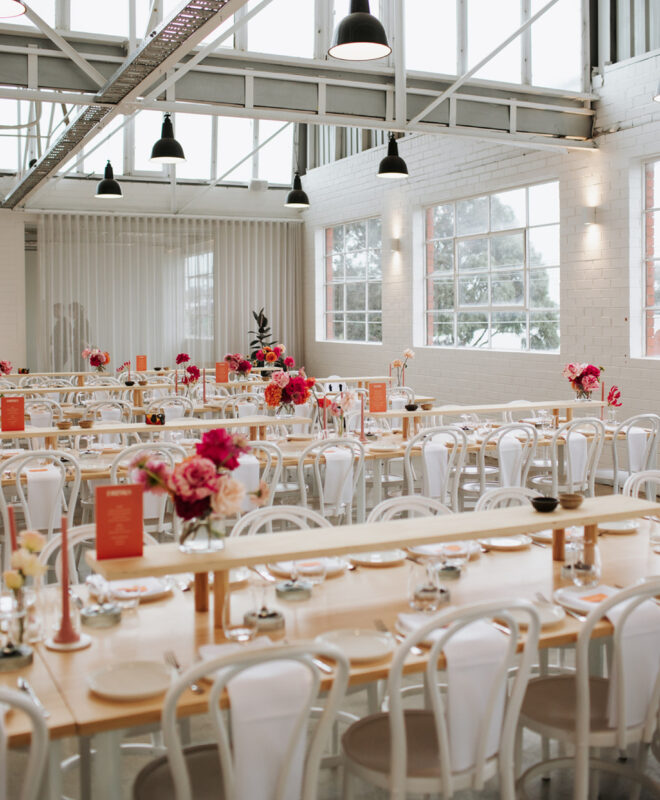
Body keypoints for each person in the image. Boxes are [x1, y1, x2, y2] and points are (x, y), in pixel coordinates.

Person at [69, 301, 91, 371]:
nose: (70, 314)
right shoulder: (78, 321)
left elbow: (83, 337)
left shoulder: (82, 322)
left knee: (79, 370)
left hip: (81, 349)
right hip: (79, 349)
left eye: (71, 311)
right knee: (77, 370)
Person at [51, 302, 71, 371]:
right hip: (59, 350)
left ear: (60, 310)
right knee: (57, 369)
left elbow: (65, 338)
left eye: (55, 311)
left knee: (58, 370)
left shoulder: (64, 323)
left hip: (61, 351)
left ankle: (59, 381)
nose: (53, 313)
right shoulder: (60, 322)